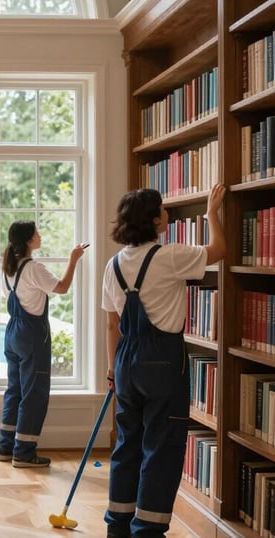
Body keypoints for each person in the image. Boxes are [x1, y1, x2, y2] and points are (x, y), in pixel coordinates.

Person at [101, 184, 226, 538]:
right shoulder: (170, 255)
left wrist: (113, 370)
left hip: (126, 361)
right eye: (163, 210)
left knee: (127, 444)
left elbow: (112, 324)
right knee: (162, 446)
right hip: (163, 361)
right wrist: (212, 213)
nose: (167, 214)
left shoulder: (112, 266)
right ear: (154, 219)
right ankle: (148, 531)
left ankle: (118, 526)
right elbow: (218, 250)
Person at [0, 221, 87, 467]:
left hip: (13, 333)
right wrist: (74, 258)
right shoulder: (33, 268)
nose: (40, 236)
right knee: (34, 394)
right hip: (31, 336)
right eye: (36, 233)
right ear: (28, 240)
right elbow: (63, 287)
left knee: (14, 391)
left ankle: (5, 447)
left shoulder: (8, 268)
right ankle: (24, 452)